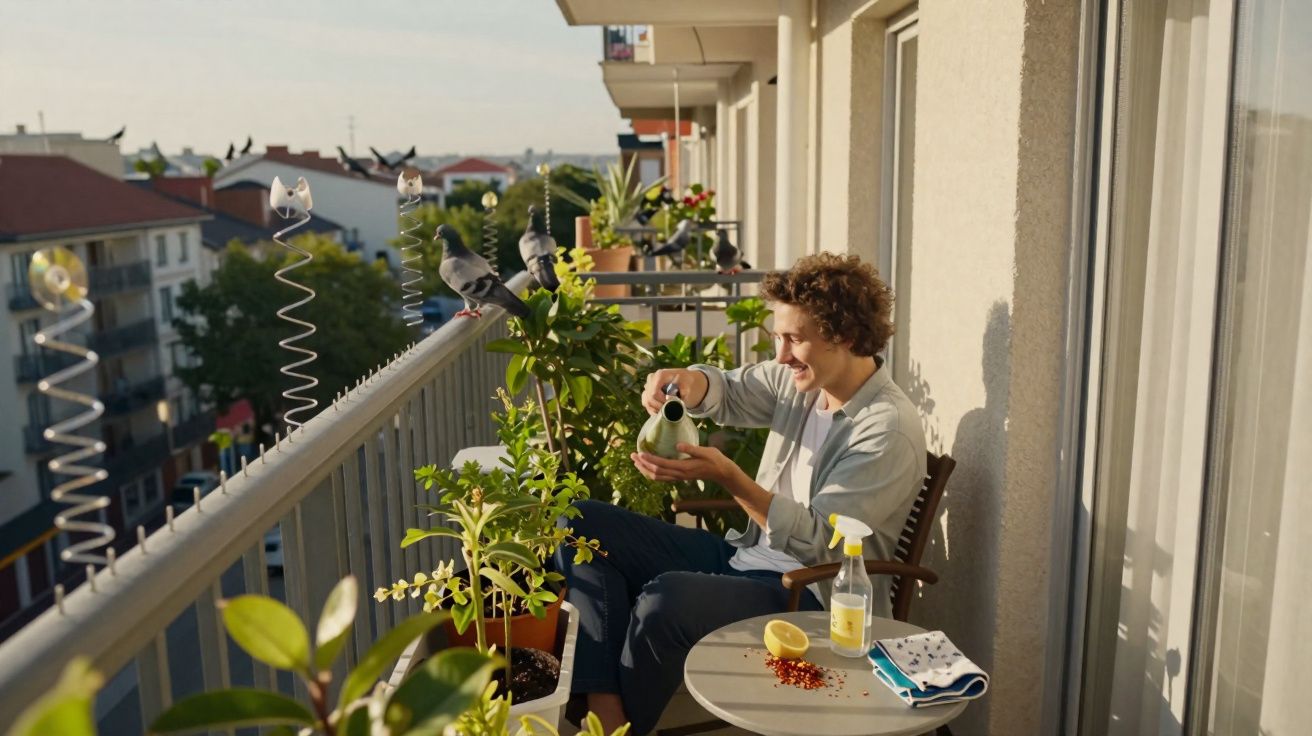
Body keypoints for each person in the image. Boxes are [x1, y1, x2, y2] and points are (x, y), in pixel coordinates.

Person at [554, 252, 928, 734]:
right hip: (749, 556)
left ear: (847, 338)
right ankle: (607, 711)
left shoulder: (886, 429)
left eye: (795, 339)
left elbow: (821, 542)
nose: (781, 354)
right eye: (778, 337)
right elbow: (727, 390)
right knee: (580, 519)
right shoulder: (804, 383)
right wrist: (686, 382)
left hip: (810, 594)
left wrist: (729, 477)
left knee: (665, 602)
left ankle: (608, 721)